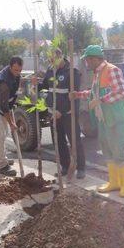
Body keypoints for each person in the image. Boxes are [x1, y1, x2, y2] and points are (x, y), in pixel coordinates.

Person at [70, 45, 124, 197]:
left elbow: (121, 92)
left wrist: (101, 100)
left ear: (95, 59)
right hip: (103, 118)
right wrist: (79, 94)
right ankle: (114, 182)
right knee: (107, 149)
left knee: (118, 150)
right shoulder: (98, 73)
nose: (86, 63)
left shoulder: (112, 70)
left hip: (115, 118)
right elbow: (94, 93)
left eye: (88, 60)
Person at [37, 47, 86, 179]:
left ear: (61, 57)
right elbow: (46, 87)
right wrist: (38, 84)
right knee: (58, 141)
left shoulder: (72, 72)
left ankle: (81, 167)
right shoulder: (50, 70)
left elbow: (73, 95)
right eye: (50, 60)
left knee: (74, 140)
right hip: (54, 113)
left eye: (54, 59)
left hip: (68, 113)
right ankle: (65, 166)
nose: (51, 62)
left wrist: (62, 111)